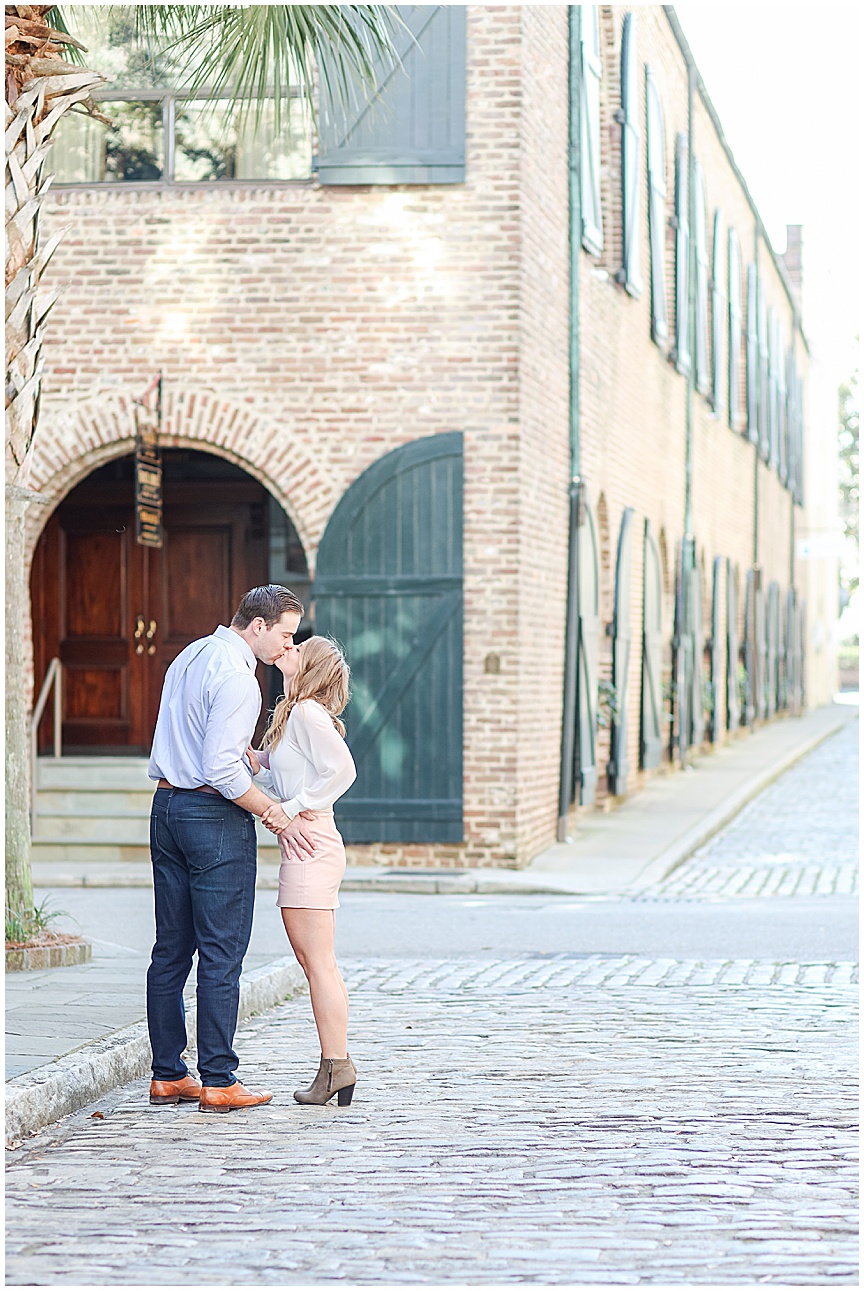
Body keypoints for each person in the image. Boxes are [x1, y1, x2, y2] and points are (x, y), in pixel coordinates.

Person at [146, 584, 315, 1114]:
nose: (287, 647)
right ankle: (219, 1079)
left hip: (167, 808)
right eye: (285, 635)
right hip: (212, 816)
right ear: (258, 626)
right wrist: (272, 812)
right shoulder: (241, 678)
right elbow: (221, 769)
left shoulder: (191, 653)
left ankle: (168, 1074)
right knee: (221, 951)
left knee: (171, 949)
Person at [247, 635, 358, 1106]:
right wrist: (259, 767)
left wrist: (292, 807)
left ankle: (337, 1066)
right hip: (306, 840)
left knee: (319, 964)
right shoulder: (295, 715)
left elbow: (342, 771)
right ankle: (334, 1067)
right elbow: (292, 774)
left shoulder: (310, 713)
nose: (286, 649)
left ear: (308, 666)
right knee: (315, 962)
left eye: (297, 648)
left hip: (311, 839)